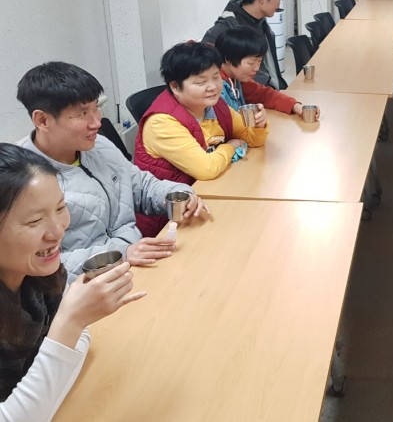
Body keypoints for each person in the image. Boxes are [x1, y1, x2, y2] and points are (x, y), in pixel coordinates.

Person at [16, 62, 206, 279]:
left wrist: (178, 195)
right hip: (90, 283)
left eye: (96, 107)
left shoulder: (98, 145)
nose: (96, 122)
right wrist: (120, 254)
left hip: (136, 262)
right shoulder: (21, 179)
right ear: (42, 120)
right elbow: (34, 263)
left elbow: (140, 185)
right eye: (82, 113)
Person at [0, 143, 145, 420]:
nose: (58, 231)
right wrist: (70, 322)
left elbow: (79, 339)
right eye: (34, 221)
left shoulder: (42, 274)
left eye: (60, 207)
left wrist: (72, 323)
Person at [134, 42, 268, 221]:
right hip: (171, 218)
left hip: (208, 197)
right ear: (175, 87)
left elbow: (250, 138)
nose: (213, 87)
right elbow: (207, 168)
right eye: (201, 82)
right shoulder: (161, 122)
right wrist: (230, 146)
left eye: (216, 77)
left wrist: (259, 124)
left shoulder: (213, 104)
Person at [202, 0, 288, 90]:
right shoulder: (225, 29)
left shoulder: (261, 23)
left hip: (267, 92)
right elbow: (203, 66)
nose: (279, 1)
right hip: (246, 97)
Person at [214, 26, 320, 119]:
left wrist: (295, 106)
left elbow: (263, 94)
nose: (256, 68)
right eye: (251, 63)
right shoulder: (214, 90)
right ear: (228, 59)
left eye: (259, 61)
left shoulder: (237, 78)